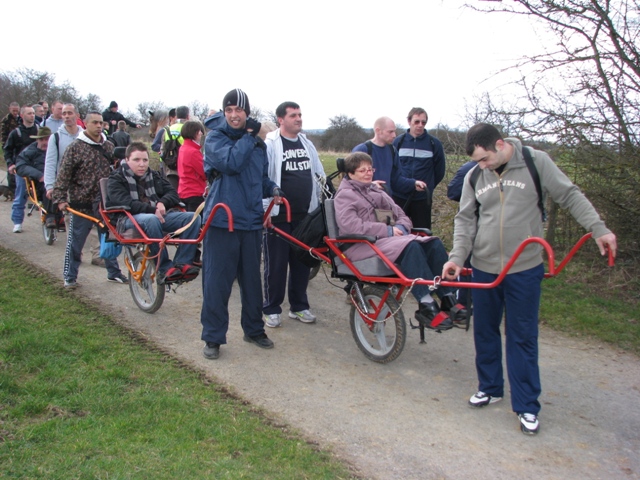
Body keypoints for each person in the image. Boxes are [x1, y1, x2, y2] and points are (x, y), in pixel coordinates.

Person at [441, 123, 618, 436]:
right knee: (484, 330)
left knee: (522, 335)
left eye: (484, 158)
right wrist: (457, 258)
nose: (481, 165)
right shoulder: (474, 176)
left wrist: (599, 229)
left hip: (524, 266)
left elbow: (569, 195)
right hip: (484, 264)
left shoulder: (535, 162)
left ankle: (526, 405)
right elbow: (465, 220)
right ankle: (490, 387)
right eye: (477, 161)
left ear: (499, 144)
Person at [334, 152, 467, 330]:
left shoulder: (376, 191)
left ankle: (448, 297)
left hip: (387, 241)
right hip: (360, 244)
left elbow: (401, 214)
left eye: (370, 169)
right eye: (362, 170)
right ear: (350, 174)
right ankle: (426, 304)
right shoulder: (345, 195)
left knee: (433, 243)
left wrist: (403, 227)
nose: (368, 173)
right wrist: (386, 230)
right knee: (411, 246)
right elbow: (350, 226)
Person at [200, 88, 281, 360]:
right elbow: (231, 163)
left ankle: (254, 330)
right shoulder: (215, 139)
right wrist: (249, 135)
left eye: (239, 110)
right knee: (217, 282)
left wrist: (273, 188)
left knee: (251, 281)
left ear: (247, 112)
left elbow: (258, 178)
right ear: (225, 113)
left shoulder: (258, 146)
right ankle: (213, 337)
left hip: (250, 221)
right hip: (222, 220)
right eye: (229, 110)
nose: (234, 115)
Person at [261, 101, 325, 328]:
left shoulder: (307, 144)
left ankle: (299, 306)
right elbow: (263, 177)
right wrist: (265, 209)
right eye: (293, 115)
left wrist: (321, 202)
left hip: (304, 216)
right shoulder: (271, 144)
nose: (298, 118)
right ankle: (271, 308)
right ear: (281, 119)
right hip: (278, 216)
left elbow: (319, 174)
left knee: (302, 263)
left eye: (299, 114)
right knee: (276, 265)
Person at [52, 111, 128, 288]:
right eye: (95, 122)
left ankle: (113, 272)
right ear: (85, 124)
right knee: (76, 242)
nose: (99, 126)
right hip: (81, 205)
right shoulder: (75, 148)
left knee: (108, 239)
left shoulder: (109, 147)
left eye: (101, 123)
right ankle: (70, 276)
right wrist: (61, 198)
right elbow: (63, 175)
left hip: (104, 204)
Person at [106, 142, 201, 284]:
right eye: (136, 160)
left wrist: (162, 202)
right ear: (126, 160)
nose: (142, 164)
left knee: (193, 217)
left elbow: (173, 193)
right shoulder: (116, 178)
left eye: (145, 160)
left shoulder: (154, 175)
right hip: (126, 218)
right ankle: (163, 267)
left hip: (157, 215)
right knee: (151, 219)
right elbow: (127, 204)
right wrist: (153, 209)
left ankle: (182, 263)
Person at [393, 107, 446, 230]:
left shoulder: (434, 144)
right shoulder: (398, 142)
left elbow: (439, 171)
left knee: (422, 233)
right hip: (399, 196)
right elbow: (393, 169)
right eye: (417, 122)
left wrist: (428, 186)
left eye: (423, 122)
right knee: (399, 231)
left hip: (421, 198)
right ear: (409, 121)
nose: (420, 125)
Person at [352, 116, 425, 197]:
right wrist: (371, 185)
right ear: (378, 131)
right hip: (364, 203)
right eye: (390, 132)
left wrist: (413, 184)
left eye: (394, 131)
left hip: (385, 203)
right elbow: (350, 182)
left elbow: (396, 180)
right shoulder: (362, 150)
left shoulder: (392, 151)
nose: (394, 135)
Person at [44, 103, 83, 232]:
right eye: (64, 113)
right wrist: (50, 186)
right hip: (65, 184)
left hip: (84, 185)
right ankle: (74, 251)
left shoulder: (85, 136)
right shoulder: (56, 137)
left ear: (76, 116)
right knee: (70, 220)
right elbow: (50, 162)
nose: (66, 116)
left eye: (70, 113)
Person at [4, 105, 38, 233]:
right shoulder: (15, 133)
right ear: (23, 115)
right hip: (22, 167)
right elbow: (7, 150)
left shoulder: (39, 130)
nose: (32, 116)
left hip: (37, 166)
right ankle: (17, 222)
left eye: (34, 113)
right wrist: (10, 164)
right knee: (20, 194)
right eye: (29, 113)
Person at [15, 127, 54, 216]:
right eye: (41, 139)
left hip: (58, 179)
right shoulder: (28, 152)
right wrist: (39, 175)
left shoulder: (57, 149)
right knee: (49, 188)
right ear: (37, 140)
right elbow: (20, 166)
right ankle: (50, 217)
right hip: (39, 183)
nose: (44, 142)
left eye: (47, 139)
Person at [176, 120, 206, 212]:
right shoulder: (193, 152)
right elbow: (204, 172)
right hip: (195, 192)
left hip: (183, 190)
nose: (201, 133)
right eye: (199, 131)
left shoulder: (183, 148)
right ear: (194, 133)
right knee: (196, 223)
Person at [161, 105, 189, 190]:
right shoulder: (189, 128)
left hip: (170, 165)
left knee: (172, 193)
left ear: (176, 116)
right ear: (188, 116)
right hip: (185, 166)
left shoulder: (168, 129)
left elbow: (163, 147)